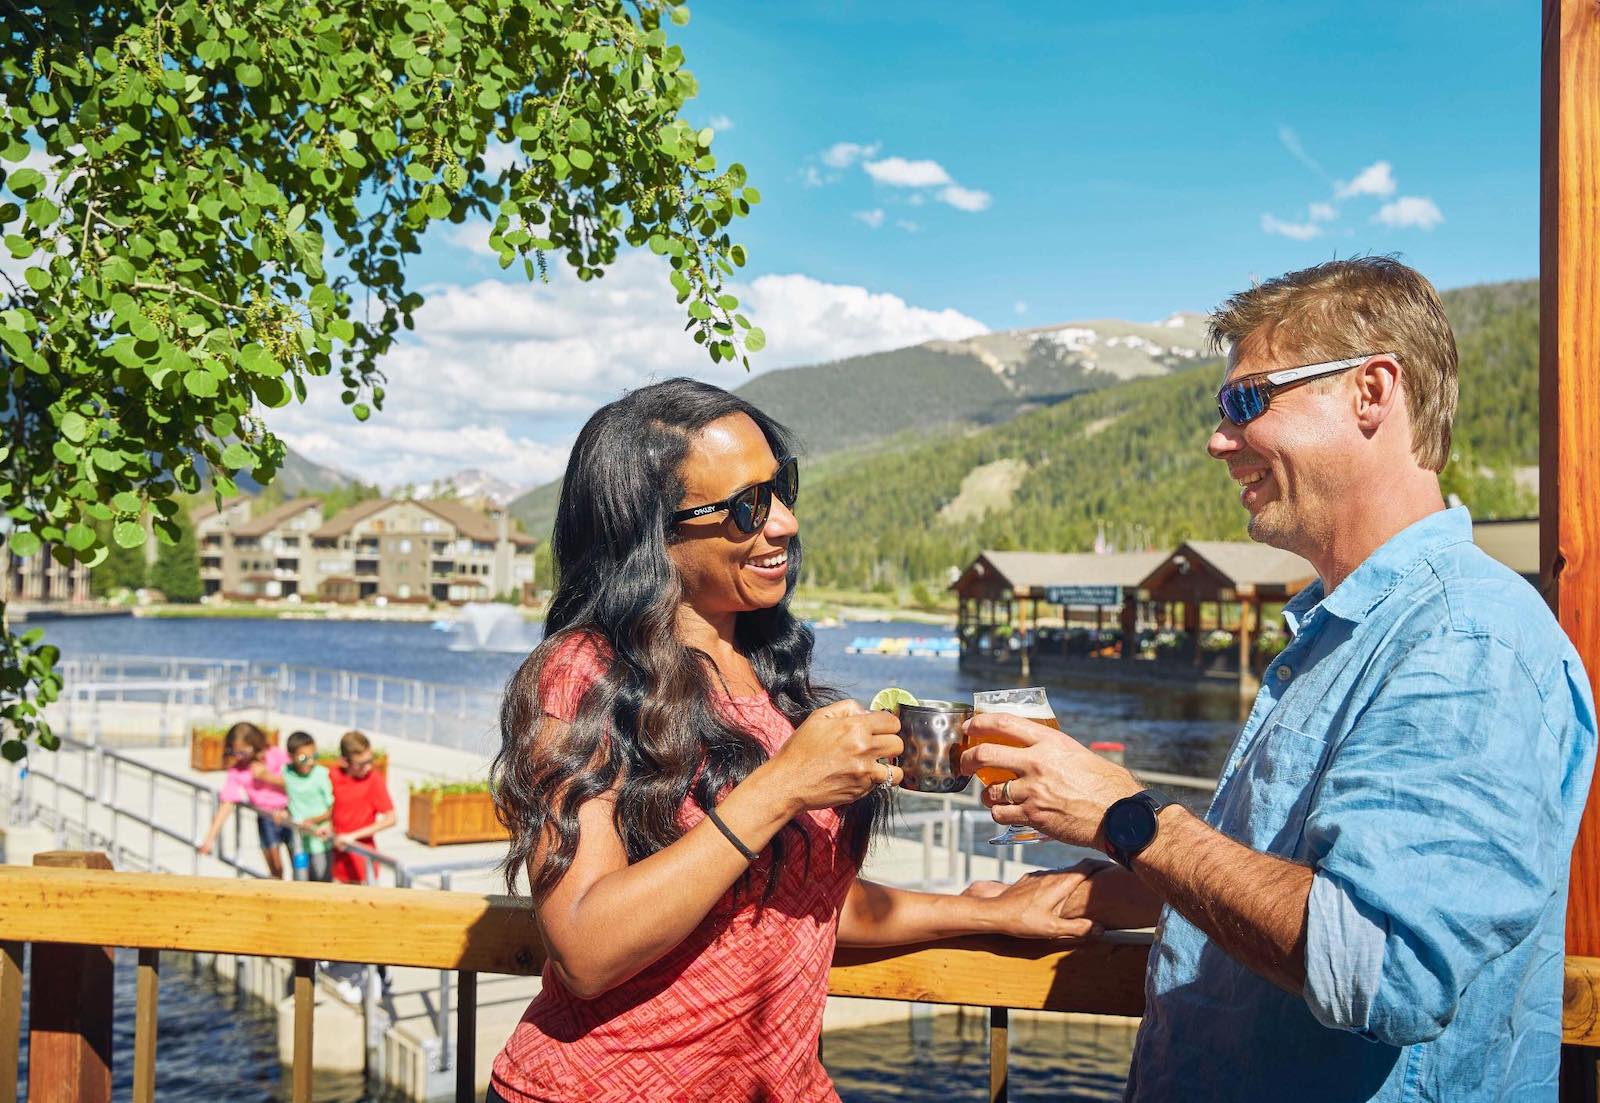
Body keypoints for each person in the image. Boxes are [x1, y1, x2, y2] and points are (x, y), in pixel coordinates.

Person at [961, 256, 1597, 1101]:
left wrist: (1126, 818)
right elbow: (1281, 877)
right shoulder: (1346, 628)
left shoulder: (1467, 639)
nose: (1220, 437)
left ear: (1373, 391)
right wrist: (1110, 888)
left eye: (1247, 400)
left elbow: (1378, 964)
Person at [487, 378, 1097, 1103]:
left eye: (781, 489)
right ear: (653, 534)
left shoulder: (774, 683)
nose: (783, 522)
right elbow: (585, 946)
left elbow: (780, 904)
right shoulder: (581, 672)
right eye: (748, 506)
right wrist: (783, 785)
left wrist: (981, 908)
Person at [197, 721, 292, 878]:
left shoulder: (275, 754)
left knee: (300, 866)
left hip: (289, 813)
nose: (239, 756)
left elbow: (297, 784)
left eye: (242, 751)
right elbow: (227, 802)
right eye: (235, 752)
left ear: (254, 744)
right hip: (265, 817)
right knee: (276, 869)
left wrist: (267, 777)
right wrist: (209, 839)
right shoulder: (238, 769)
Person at [328, 730, 394, 886]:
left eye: (370, 760)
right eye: (361, 764)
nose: (368, 767)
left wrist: (353, 836)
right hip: (338, 862)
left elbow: (391, 818)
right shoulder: (333, 775)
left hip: (363, 862)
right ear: (344, 761)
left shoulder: (374, 780)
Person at [280, 730, 334, 882]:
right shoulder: (286, 772)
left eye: (314, 757)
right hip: (298, 841)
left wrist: (313, 821)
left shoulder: (321, 774)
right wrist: (283, 811)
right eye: (304, 758)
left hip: (320, 840)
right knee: (300, 879)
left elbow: (332, 809)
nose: (310, 762)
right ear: (291, 756)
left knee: (321, 878)